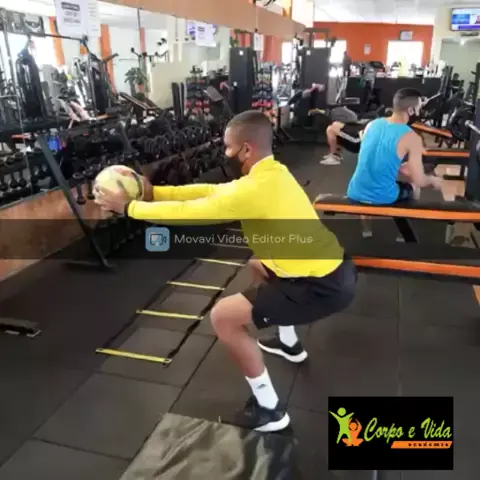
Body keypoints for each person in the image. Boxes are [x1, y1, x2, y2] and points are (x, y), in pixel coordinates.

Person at [95, 110, 357, 433]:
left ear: (246, 149)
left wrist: (129, 207)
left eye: (228, 147)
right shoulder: (272, 173)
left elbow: (192, 212)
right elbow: (211, 191)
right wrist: (154, 193)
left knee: (223, 317)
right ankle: (288, 343)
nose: (225, 153)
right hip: (334, 267)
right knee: (258, 264)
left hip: (320, 285)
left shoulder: (255, 189)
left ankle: (270, 409)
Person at [347, 87, 443, 205]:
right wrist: (433, 180)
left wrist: (397, 166)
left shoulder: (372, 124)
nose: (420, 112)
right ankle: (408, 213)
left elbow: (372, 154)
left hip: (355, 192)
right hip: (383, 196)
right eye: (419, 109)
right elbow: (420, 181)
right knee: (414, 187)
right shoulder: (412, 137)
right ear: (411, 111)